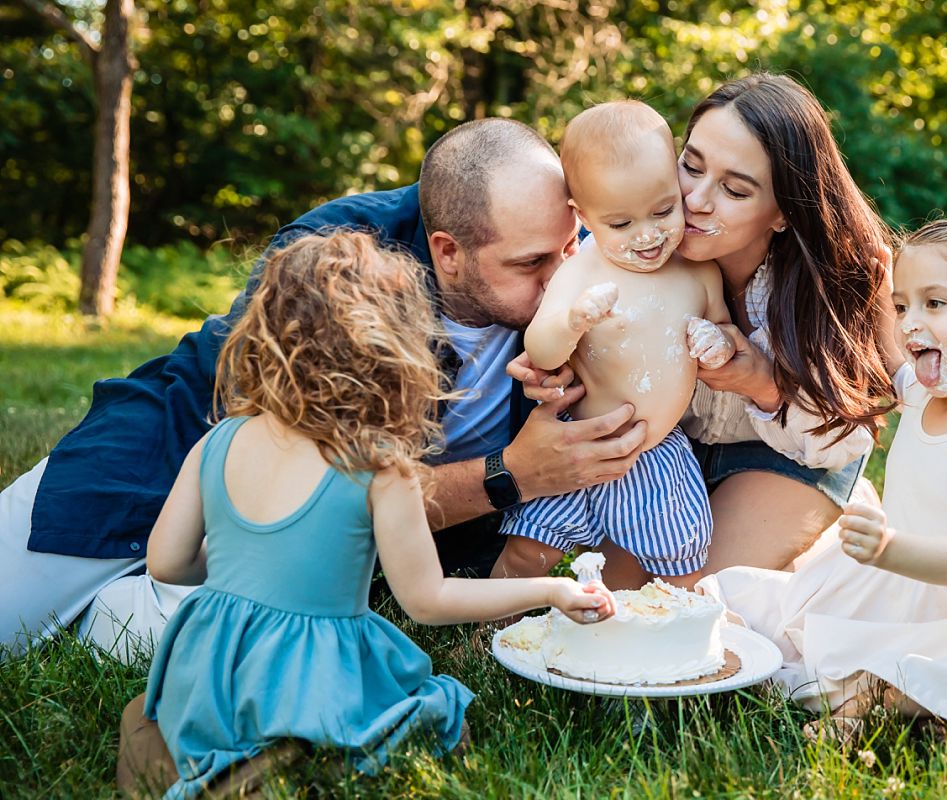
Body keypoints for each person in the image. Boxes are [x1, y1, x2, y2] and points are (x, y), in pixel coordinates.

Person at [0, 118, 645, 661]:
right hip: (170, 447)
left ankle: (124, 613)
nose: (563, 276)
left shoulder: (584, 252)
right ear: (447, 253)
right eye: (532, 264)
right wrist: (513, 474)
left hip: (325, 556)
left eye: (570, 247)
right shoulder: (340, 270)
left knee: (245, 641)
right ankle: (118, 605)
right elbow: (317, 487)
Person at [120, 231, 616, 799]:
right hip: (311, 681)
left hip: (210, 671)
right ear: (396, 354)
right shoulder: (381, 468)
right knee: (443, 721)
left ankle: (213, 754)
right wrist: (550, 593)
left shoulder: (220, 440)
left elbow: (166, 562)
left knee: (148, 719)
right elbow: (428, 602)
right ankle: (280, 764)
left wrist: (252, 569)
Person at [699, 215, 947, 747]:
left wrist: (891, 548)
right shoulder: (922, 391)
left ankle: (888, 693)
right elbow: (891, 356)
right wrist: (878, 297)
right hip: (886, 590)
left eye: (934, 304)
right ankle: (904, 694)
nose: (911, 322)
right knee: (735, 599)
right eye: (902, 307)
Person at [542, 74, 897, 588]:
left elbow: (843, 439)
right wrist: (557, 366)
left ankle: (823, 526)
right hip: (672, 458)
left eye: (734, 189)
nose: (697, 200)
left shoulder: (821, 283)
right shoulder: (627, 237)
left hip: (786, 455)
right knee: (610, 600)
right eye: (690, 166)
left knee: (690, 599)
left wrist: (760, 381)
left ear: (781, 213)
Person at [490, 101, 735, 587]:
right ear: (583, 216)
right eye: (620, 224)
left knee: (681, 558)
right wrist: (573, 322)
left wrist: (717, 342)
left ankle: (676, 632)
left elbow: (725, 329)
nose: (647, 235)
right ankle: (492, 629)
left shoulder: (700, 273)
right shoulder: (582, 270)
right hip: (576, 443)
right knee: (527, 552)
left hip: (656, 452)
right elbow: (542, 351)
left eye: (663, 210)